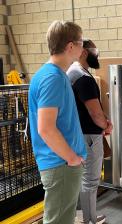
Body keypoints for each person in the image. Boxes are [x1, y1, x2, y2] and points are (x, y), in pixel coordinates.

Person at [28, 20, 86, 224]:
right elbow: (46, 128)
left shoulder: (53, 75)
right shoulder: (52, 78)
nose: (84, 47)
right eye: (81, 42)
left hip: (61, 164)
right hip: (61, 165)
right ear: (71, 46)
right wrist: (71, 158)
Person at [67, 39, 112, 224]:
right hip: (89, 137)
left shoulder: (73, 73)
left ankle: (87, 217)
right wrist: (106, 125)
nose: (98, 55)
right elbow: (95, 113)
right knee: (90, 181)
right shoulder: (83, 77)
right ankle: (89, 220)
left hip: (79, 135)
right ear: (84, 52)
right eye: (95, 51)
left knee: (83, 180)